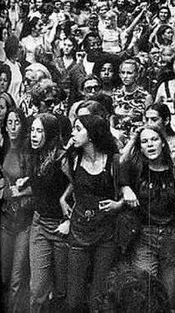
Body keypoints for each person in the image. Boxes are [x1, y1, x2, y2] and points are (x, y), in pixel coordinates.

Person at [61, 115, 124, 312]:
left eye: (78, 128)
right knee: (74, 298)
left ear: (92, 134)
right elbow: (72, 182)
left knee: (99, 295)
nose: (73, 132)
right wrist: (63, 198)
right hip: (79, 230)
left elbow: (127, 192)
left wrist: (118, 204)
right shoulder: (73, 158)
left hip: (106, 232)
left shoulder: (114, 161)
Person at [120, 126, 175, 312]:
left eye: (154, 139)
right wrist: (125, 188)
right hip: (144, 237)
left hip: (172, 238)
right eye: (145, 141)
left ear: (163, 142)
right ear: (140, 147)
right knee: (143, 294)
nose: (150, 145)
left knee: (167, 296)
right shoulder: (134, 169)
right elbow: (118, 173)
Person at [28, 114, 70, 312]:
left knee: (61, 289)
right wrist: (27, 182)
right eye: (33, 130)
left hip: (61, 227)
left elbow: (82, 189)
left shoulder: (62, 158)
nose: (34, 135)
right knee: (37, 289)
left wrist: (69, 221)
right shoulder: (36, 154)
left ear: (51, 133)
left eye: (40, 131)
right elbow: (43, 182)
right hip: (39, 224)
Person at [0, 108, 32, 313]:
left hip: (24, 221)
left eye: (17, 122)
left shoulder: (29, 150)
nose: (12, 127)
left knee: (17, 277)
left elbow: (39, 185)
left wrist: (21, 192)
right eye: (9, 122)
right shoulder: (3, 148)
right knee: (3, 273)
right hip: (5, 218)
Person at [112, 59, 153, 137]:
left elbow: (148, 122)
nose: (125, 76)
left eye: (129, 73)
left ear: (137, 75)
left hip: (137, 136)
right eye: (123, 73)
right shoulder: (115, 94)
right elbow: (112, 118)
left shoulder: (146, 96)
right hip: (117, 136)